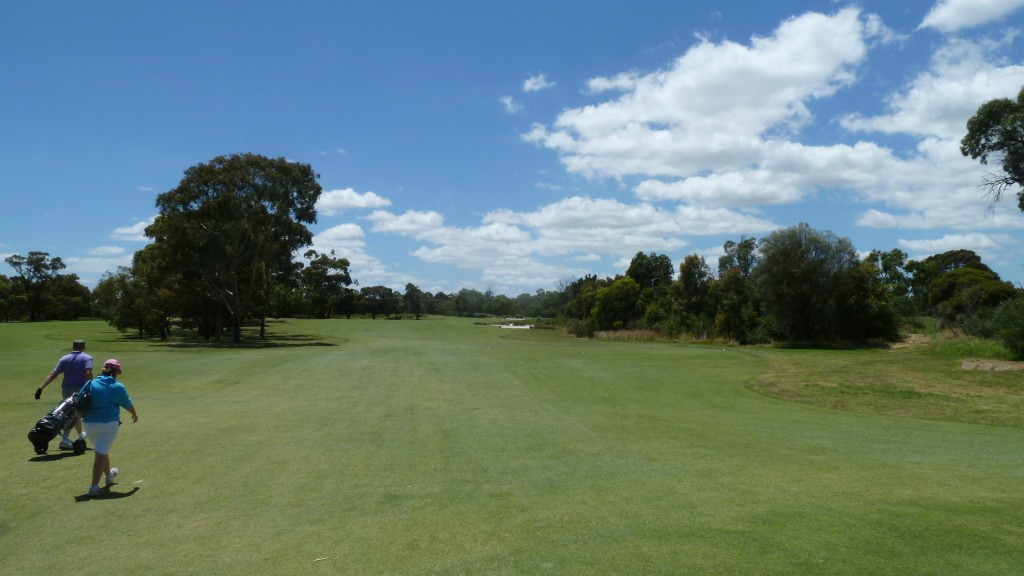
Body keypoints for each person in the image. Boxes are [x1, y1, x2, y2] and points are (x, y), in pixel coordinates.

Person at [82, 358, 138, 497]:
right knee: (100, 454)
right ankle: (94, 488)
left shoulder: (90, 383)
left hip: (88, 424)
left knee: (102, 449)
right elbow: (127, 403)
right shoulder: (117, 386)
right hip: (108, 424)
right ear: (116, 372)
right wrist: (134, 414)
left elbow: (79, 399)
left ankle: (109, 475)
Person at [36, 339, 93, 450]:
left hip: (66, 390)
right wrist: (93, 386)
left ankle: (80, 434)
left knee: (73, 413)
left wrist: (41, 388)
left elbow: (53, 374)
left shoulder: (64, 358)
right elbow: (88, 373)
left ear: (73, 347)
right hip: (80, 391)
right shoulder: (87, 358)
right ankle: (64, 440)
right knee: (72, 414)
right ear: (83, 347)